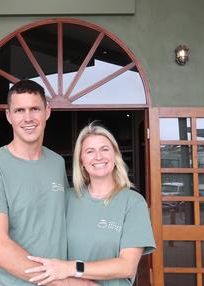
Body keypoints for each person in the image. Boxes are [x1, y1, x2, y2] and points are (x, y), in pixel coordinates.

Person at [0, 80, 97, 286]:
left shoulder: (56, 162)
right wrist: (66, 283)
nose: (28, 118)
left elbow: (62, 222)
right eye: (19, 110)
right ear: (9, 116)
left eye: (34, 109)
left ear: (47, 111)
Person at [25, 122, 156, 286]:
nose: (98, 157)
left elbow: (127, 267)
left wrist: (71, 268)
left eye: (105, 149)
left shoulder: (133, 203)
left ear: (115, 156)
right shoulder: (66, 198)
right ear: (81, 161)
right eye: (90, 151)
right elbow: (33, 230)